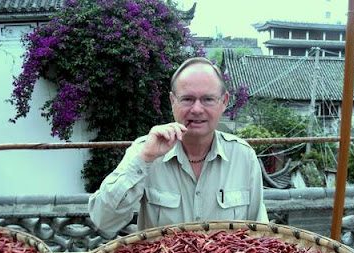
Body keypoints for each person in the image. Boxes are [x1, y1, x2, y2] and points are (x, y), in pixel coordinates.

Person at [89, 57, 268, 233]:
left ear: (224, 102)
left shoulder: (243, 156)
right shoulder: (145, 150)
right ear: (172, 101)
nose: (197, 109)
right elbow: (103, 221)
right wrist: (143, 160)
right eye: (187, 99)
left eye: (208, 99)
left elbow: (260, 233)